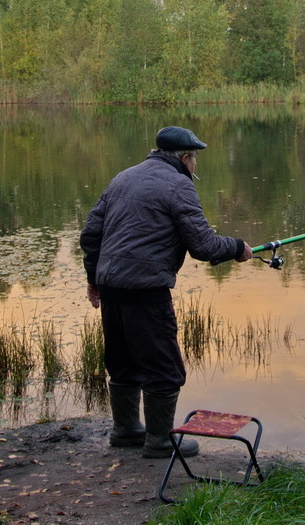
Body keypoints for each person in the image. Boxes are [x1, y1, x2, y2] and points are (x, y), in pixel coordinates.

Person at [80, 125, 253, 458]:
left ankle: (125, 430)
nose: (196, 166)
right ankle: (159, 440)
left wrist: (94, 280)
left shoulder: (123, 178)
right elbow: (203, 245)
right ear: (185, 158)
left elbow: (90, 235)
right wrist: (236, 247)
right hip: (146, 289)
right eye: (196, 160)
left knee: (123, 362)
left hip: (112, 287)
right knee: (164, 368)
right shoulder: (179, 185)